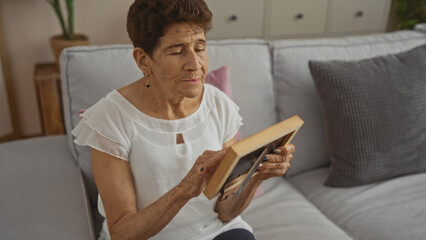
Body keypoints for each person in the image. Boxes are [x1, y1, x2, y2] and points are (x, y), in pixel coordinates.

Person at [72, 0, 295, 239]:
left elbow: (225, 213)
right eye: (177, 51)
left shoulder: (219, 105)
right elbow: (122, 233)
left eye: (200, 48)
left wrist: (255, 176)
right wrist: (183, 191)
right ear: (143, 60)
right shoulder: (111, 118)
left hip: (215, 231)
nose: (195, 64)